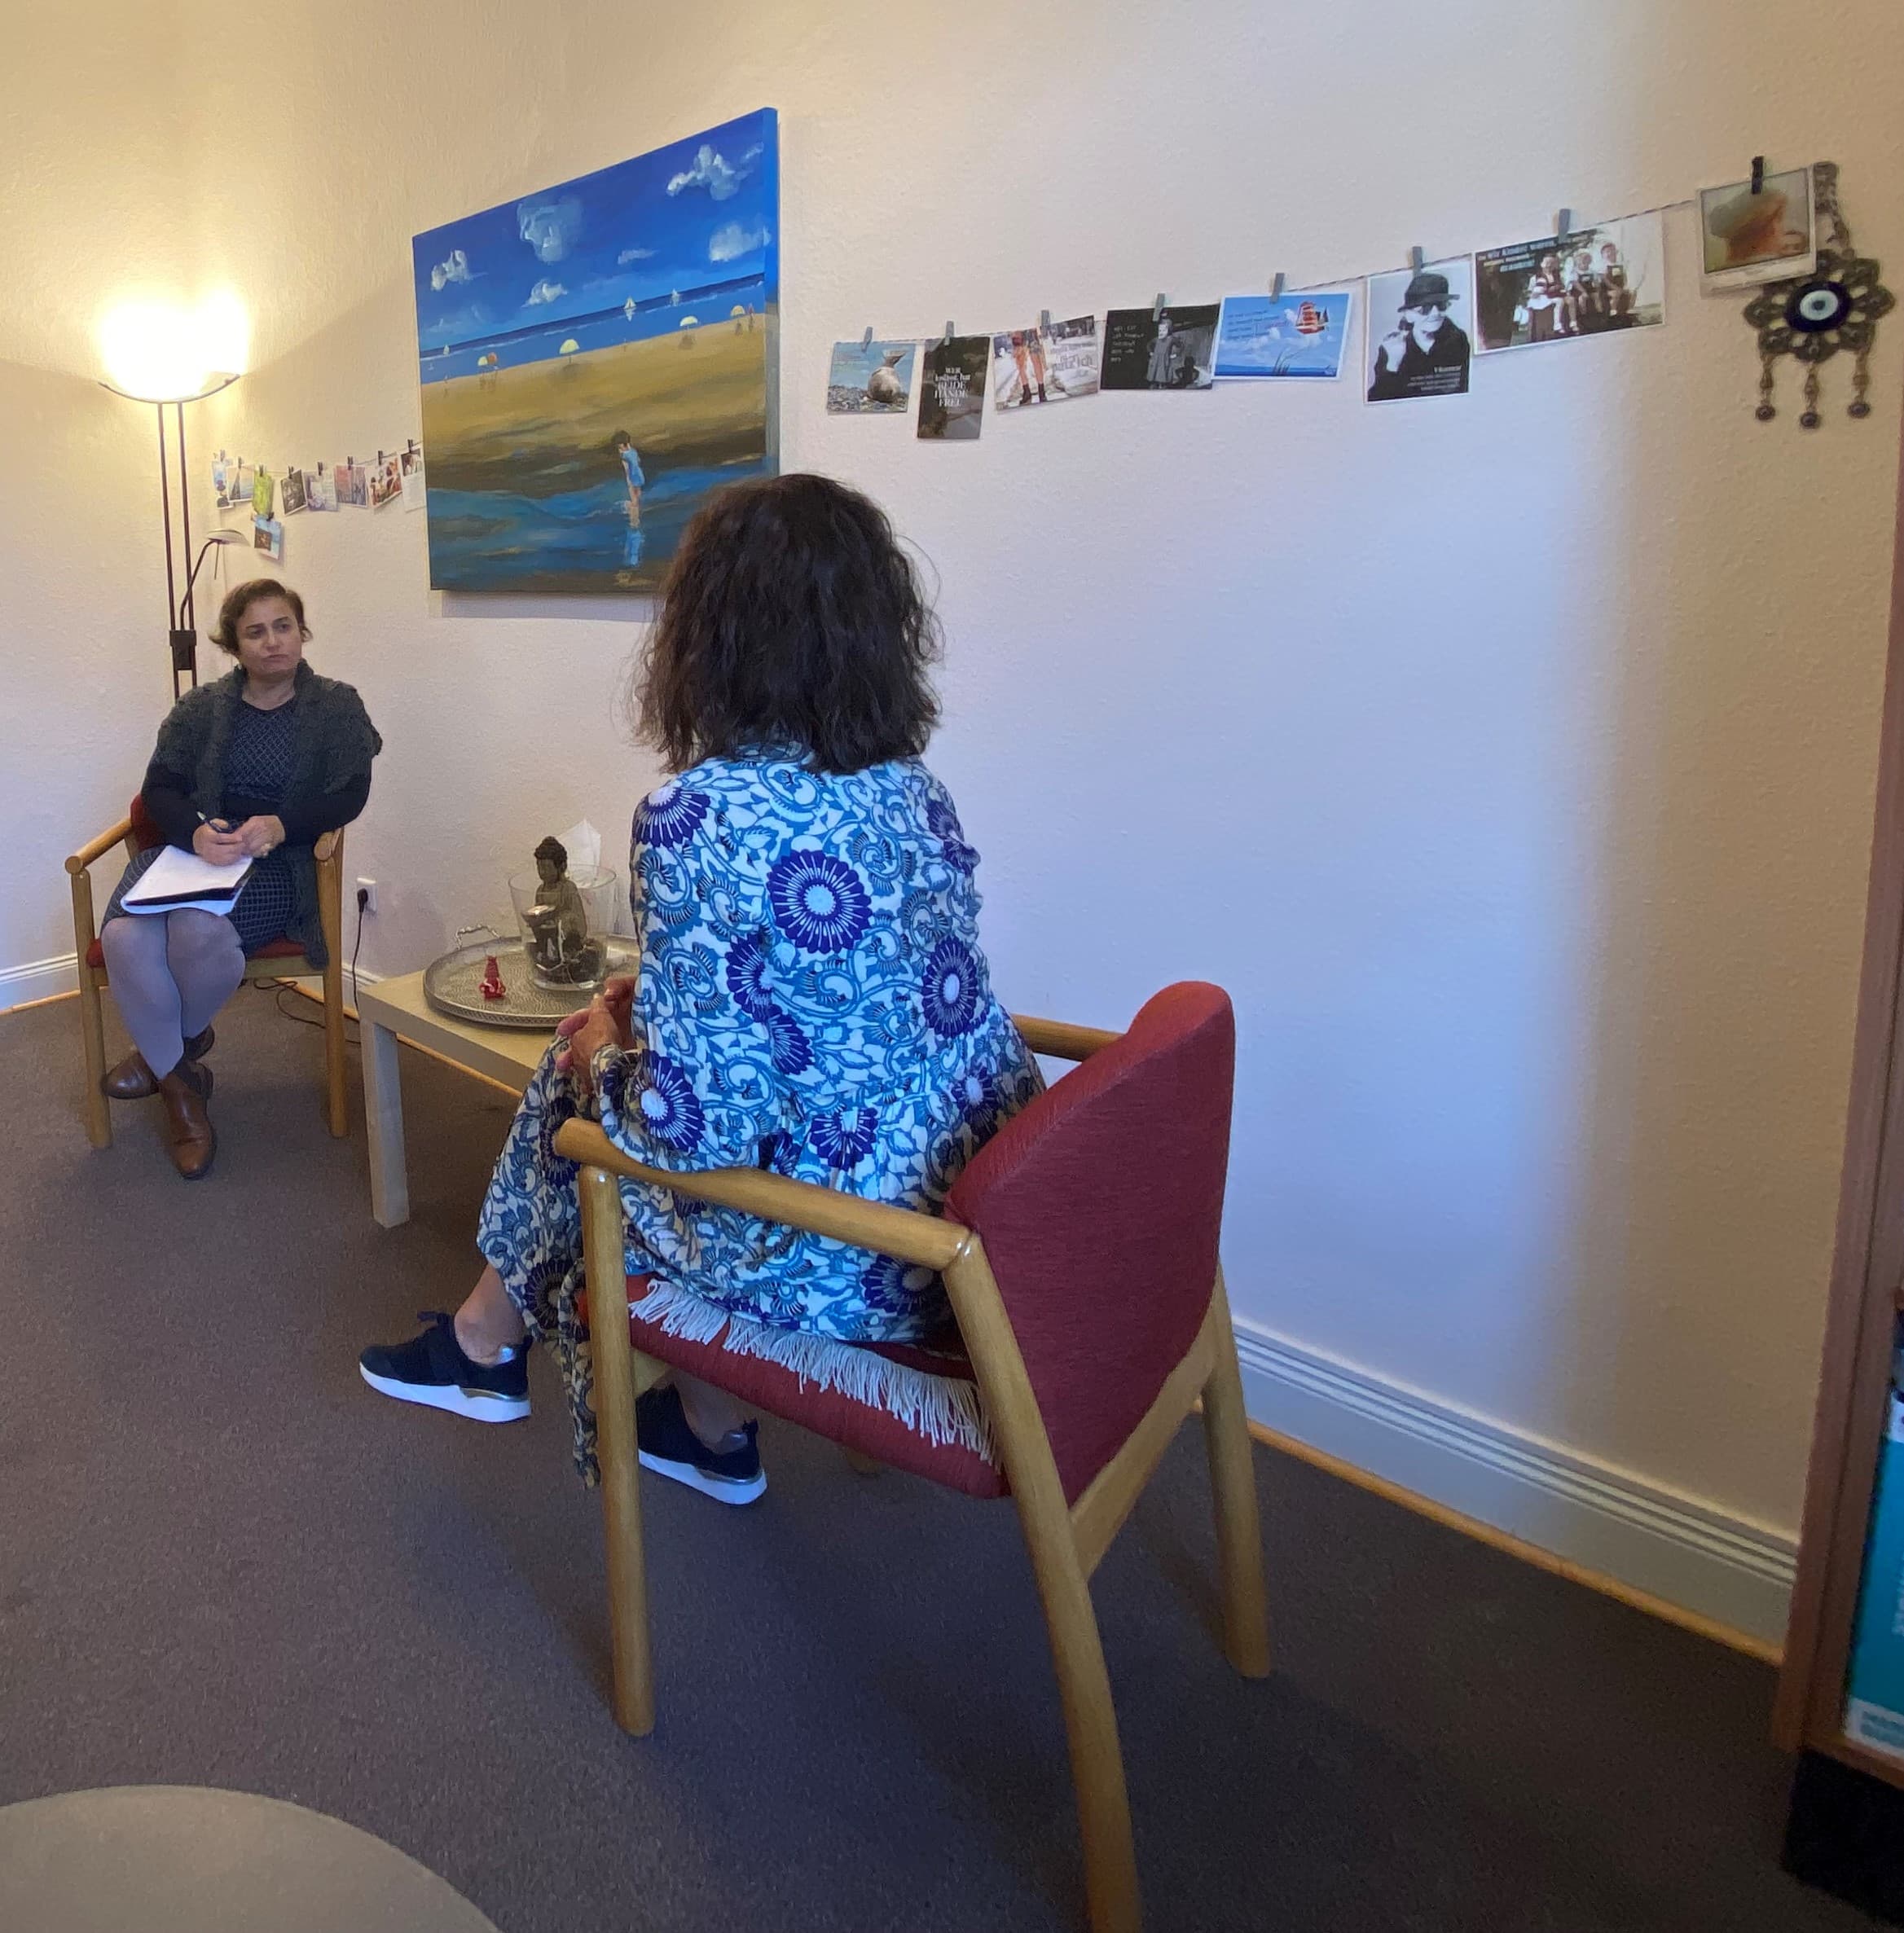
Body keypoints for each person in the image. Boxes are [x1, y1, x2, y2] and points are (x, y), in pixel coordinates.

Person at [359, 475, 1044, 1504]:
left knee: (573, 1086)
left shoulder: (700, 814)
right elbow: (846, 997)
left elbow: (699, 1133)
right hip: (967, 1194)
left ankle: (487, 1349)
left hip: (852, 1252)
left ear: (710, 635)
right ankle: (695, 1423)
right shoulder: (911, 786)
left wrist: (604, 1054)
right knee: (596, 1055)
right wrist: (656, 1021)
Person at [98, 579, 381, 1179]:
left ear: (301, 632)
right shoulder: (200, 709)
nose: (273, 642)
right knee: (126, 937)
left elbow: (350, 793)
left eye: (284, 626)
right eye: (255, 631)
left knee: (197, 933)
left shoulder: (336, 706)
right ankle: (183, 1078)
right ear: (234, 644)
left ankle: (165, 1067)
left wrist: (282, 825)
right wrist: (196, 833)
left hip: (279, 862)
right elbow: (161, 788)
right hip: (195, 851)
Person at [1367, 270, 1471, 400]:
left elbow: (1462, 389)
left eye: (1441, 305)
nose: (1435, 313)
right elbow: (1377, 399)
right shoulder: (1391, 347)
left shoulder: (1458, 340)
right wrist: (1393, 364)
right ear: (1409, 315)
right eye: (1424, 308)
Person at [614, 430, 644, 525]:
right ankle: (633, 516)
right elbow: (638, 461)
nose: (619, 448)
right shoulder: (633, 452)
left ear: (622, 445)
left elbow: (627, 469)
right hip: (638, 475)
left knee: (635, 499)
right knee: (636, 498)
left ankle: (633, 517)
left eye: (619, 446)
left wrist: (629, 480)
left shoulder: (624, 456)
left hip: (633, 477)